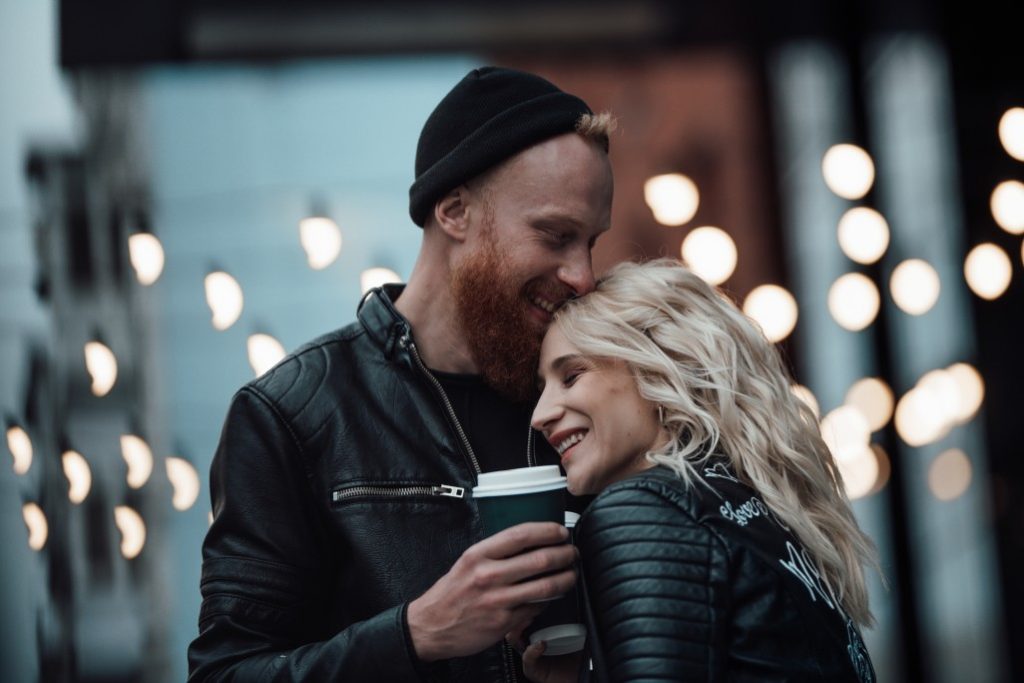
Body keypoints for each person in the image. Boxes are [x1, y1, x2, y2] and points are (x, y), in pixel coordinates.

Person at [188, 66, 615, 681]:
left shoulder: (597, 393)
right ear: (454, 210)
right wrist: (415, 634)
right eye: (555, 235)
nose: (582, 275)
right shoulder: (293, 415)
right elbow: (224, 673)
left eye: (591, 243)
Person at [527, 258, 879, 682]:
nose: (540, 414)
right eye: (542, 386)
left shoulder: (640, 512)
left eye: (572, 375)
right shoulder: (760, 509)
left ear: (660, 364)